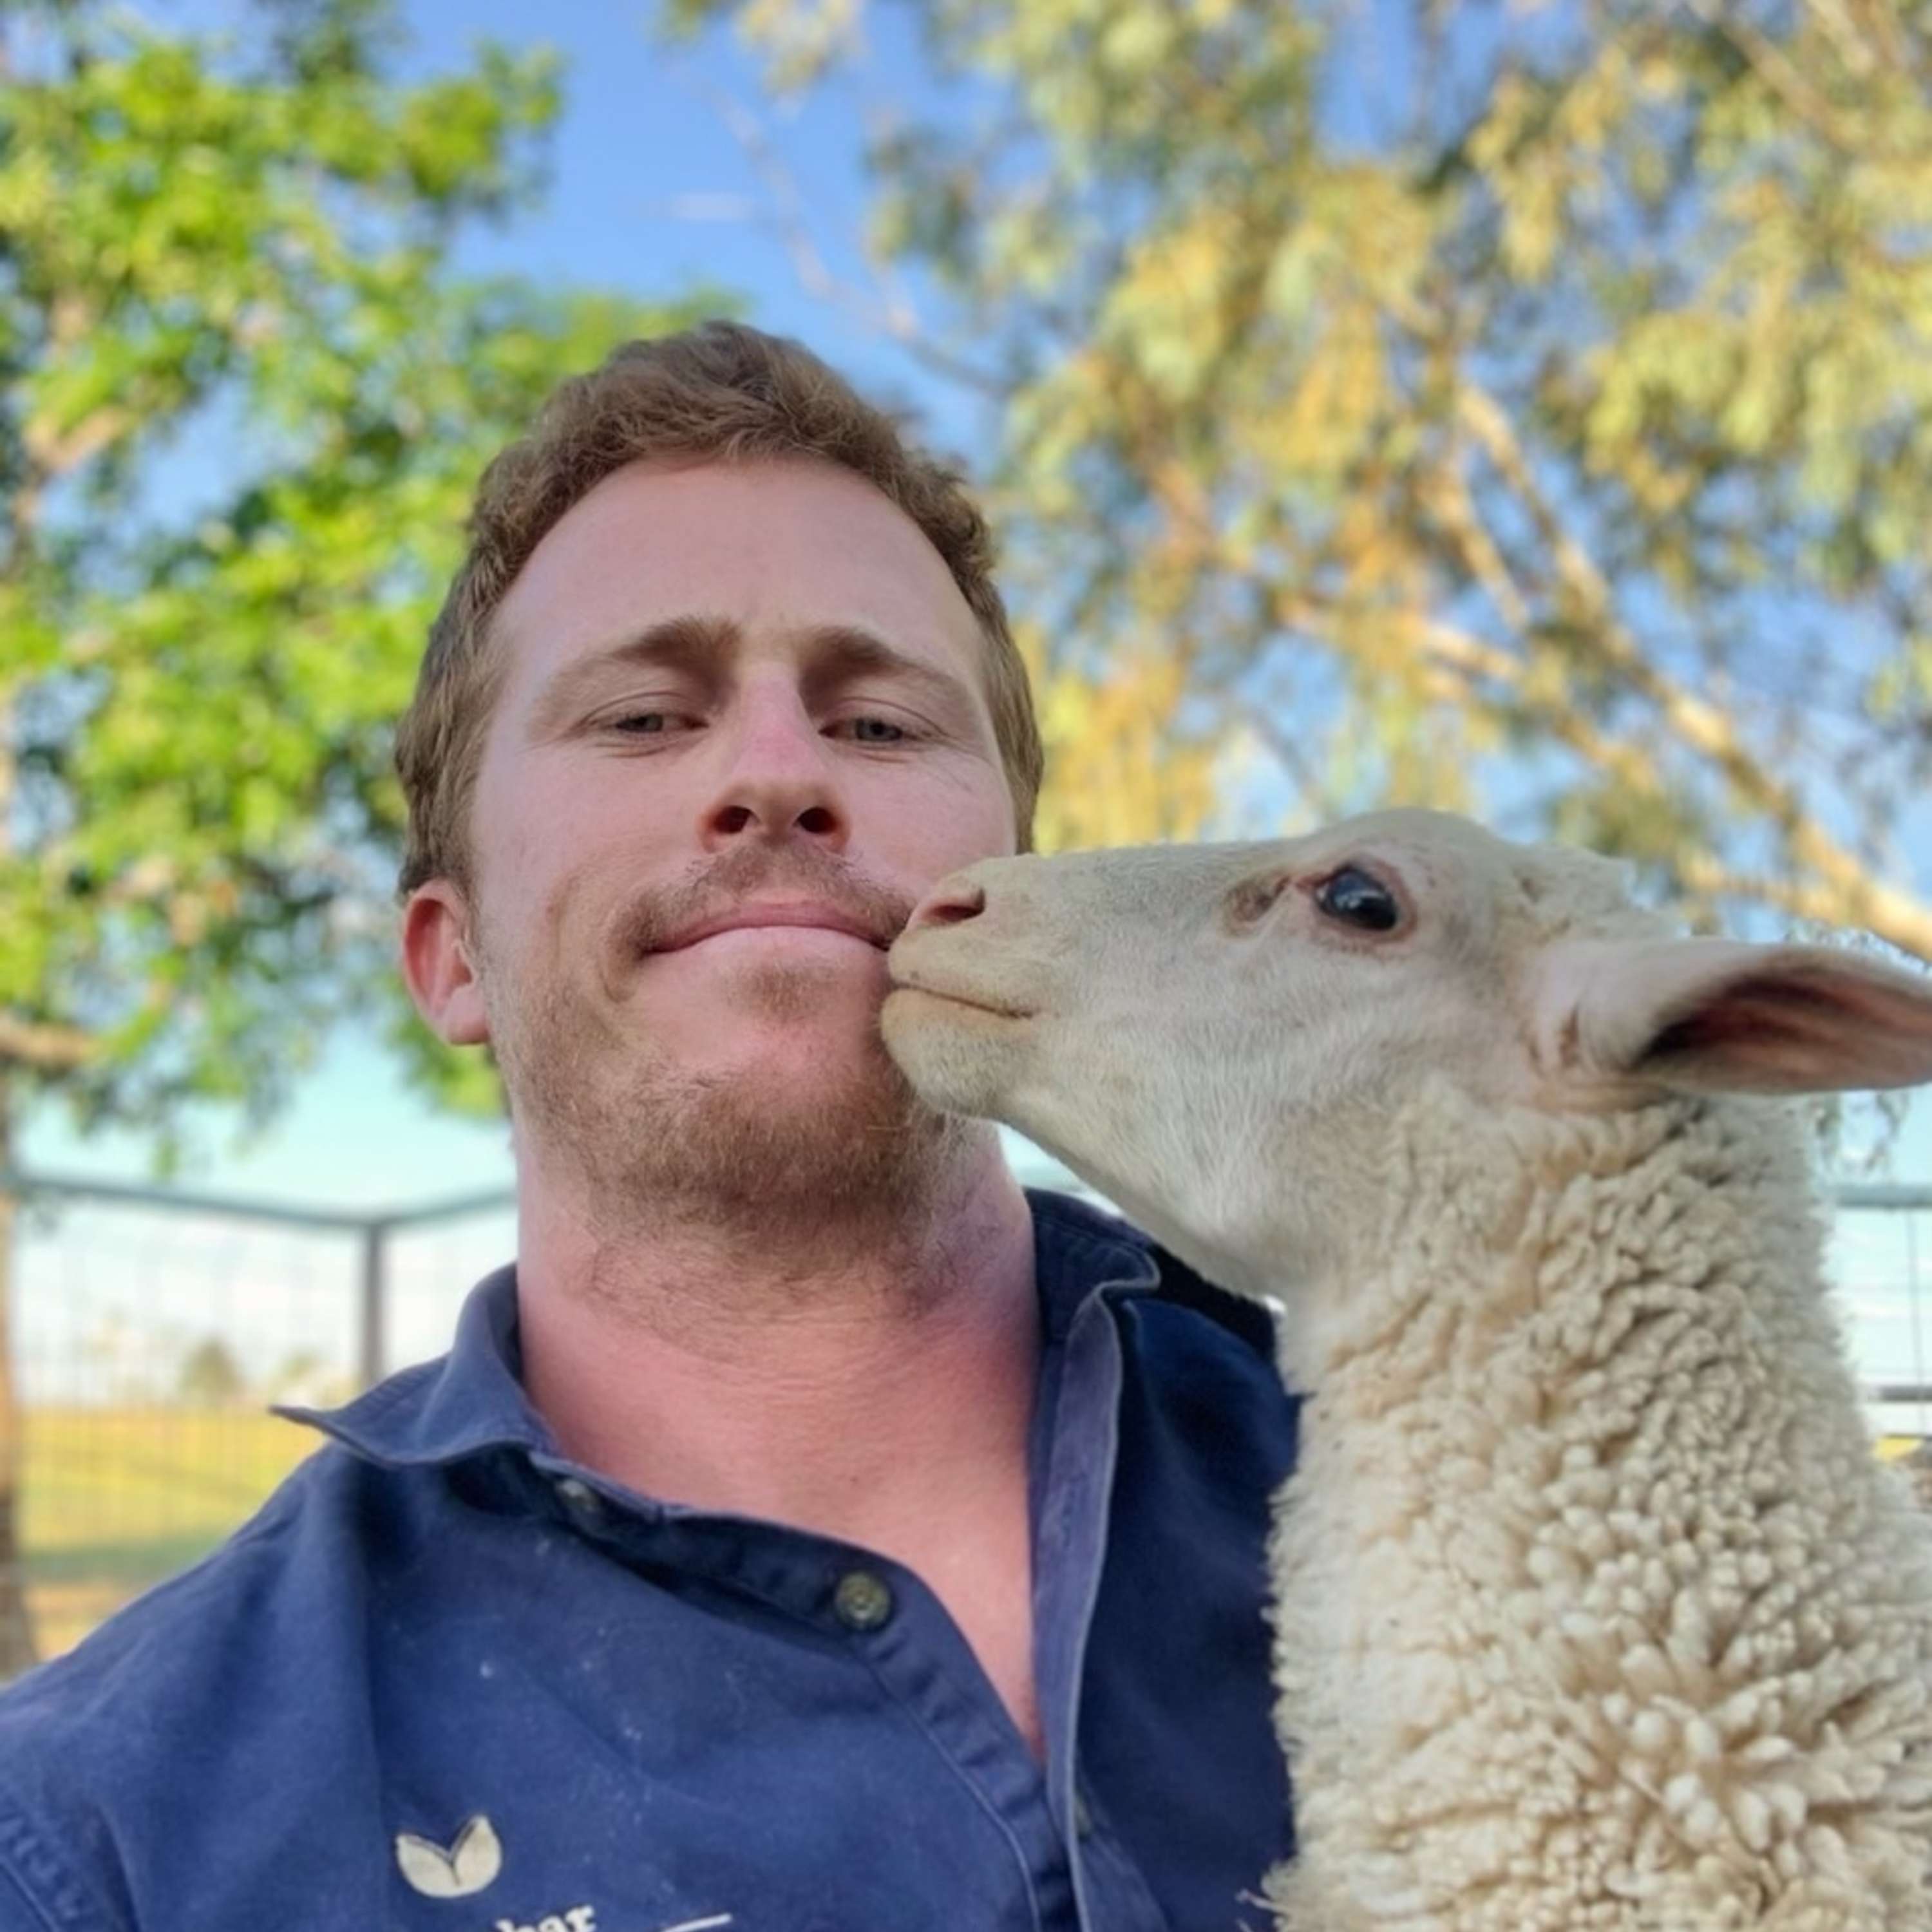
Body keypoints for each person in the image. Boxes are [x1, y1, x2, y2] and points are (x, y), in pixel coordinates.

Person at [0, 322, 1296, 1931]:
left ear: (1017, 892)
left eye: (881, 723)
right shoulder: (104, 1836)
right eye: (641, 717)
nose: (777, 773)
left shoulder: (1482, 1484)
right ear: (450, 956)